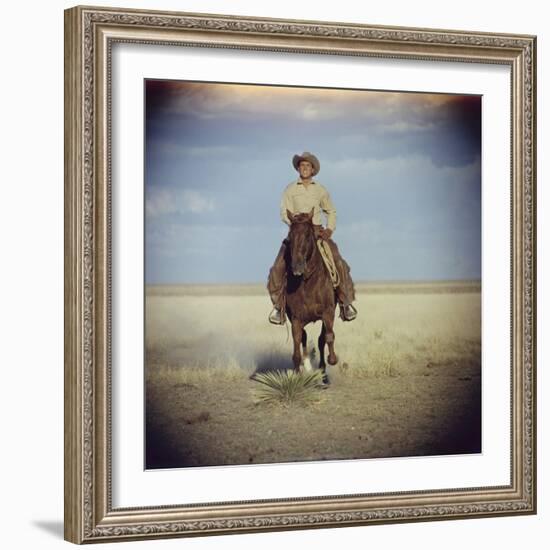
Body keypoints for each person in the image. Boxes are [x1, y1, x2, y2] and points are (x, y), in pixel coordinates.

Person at [267, 151, 358, 325]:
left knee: (338, 261)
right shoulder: (290, 189)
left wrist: (329, 229)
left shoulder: (320, 190)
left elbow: (331, 211)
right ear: (298, 169)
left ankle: (345, 303)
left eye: (308, 166)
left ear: (313, 169)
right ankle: (278, 307)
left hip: (317, 232)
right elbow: (283, 211)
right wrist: (296, 224)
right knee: (277, 267)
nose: (304, 168)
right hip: (296, 233)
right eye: (302, 165)